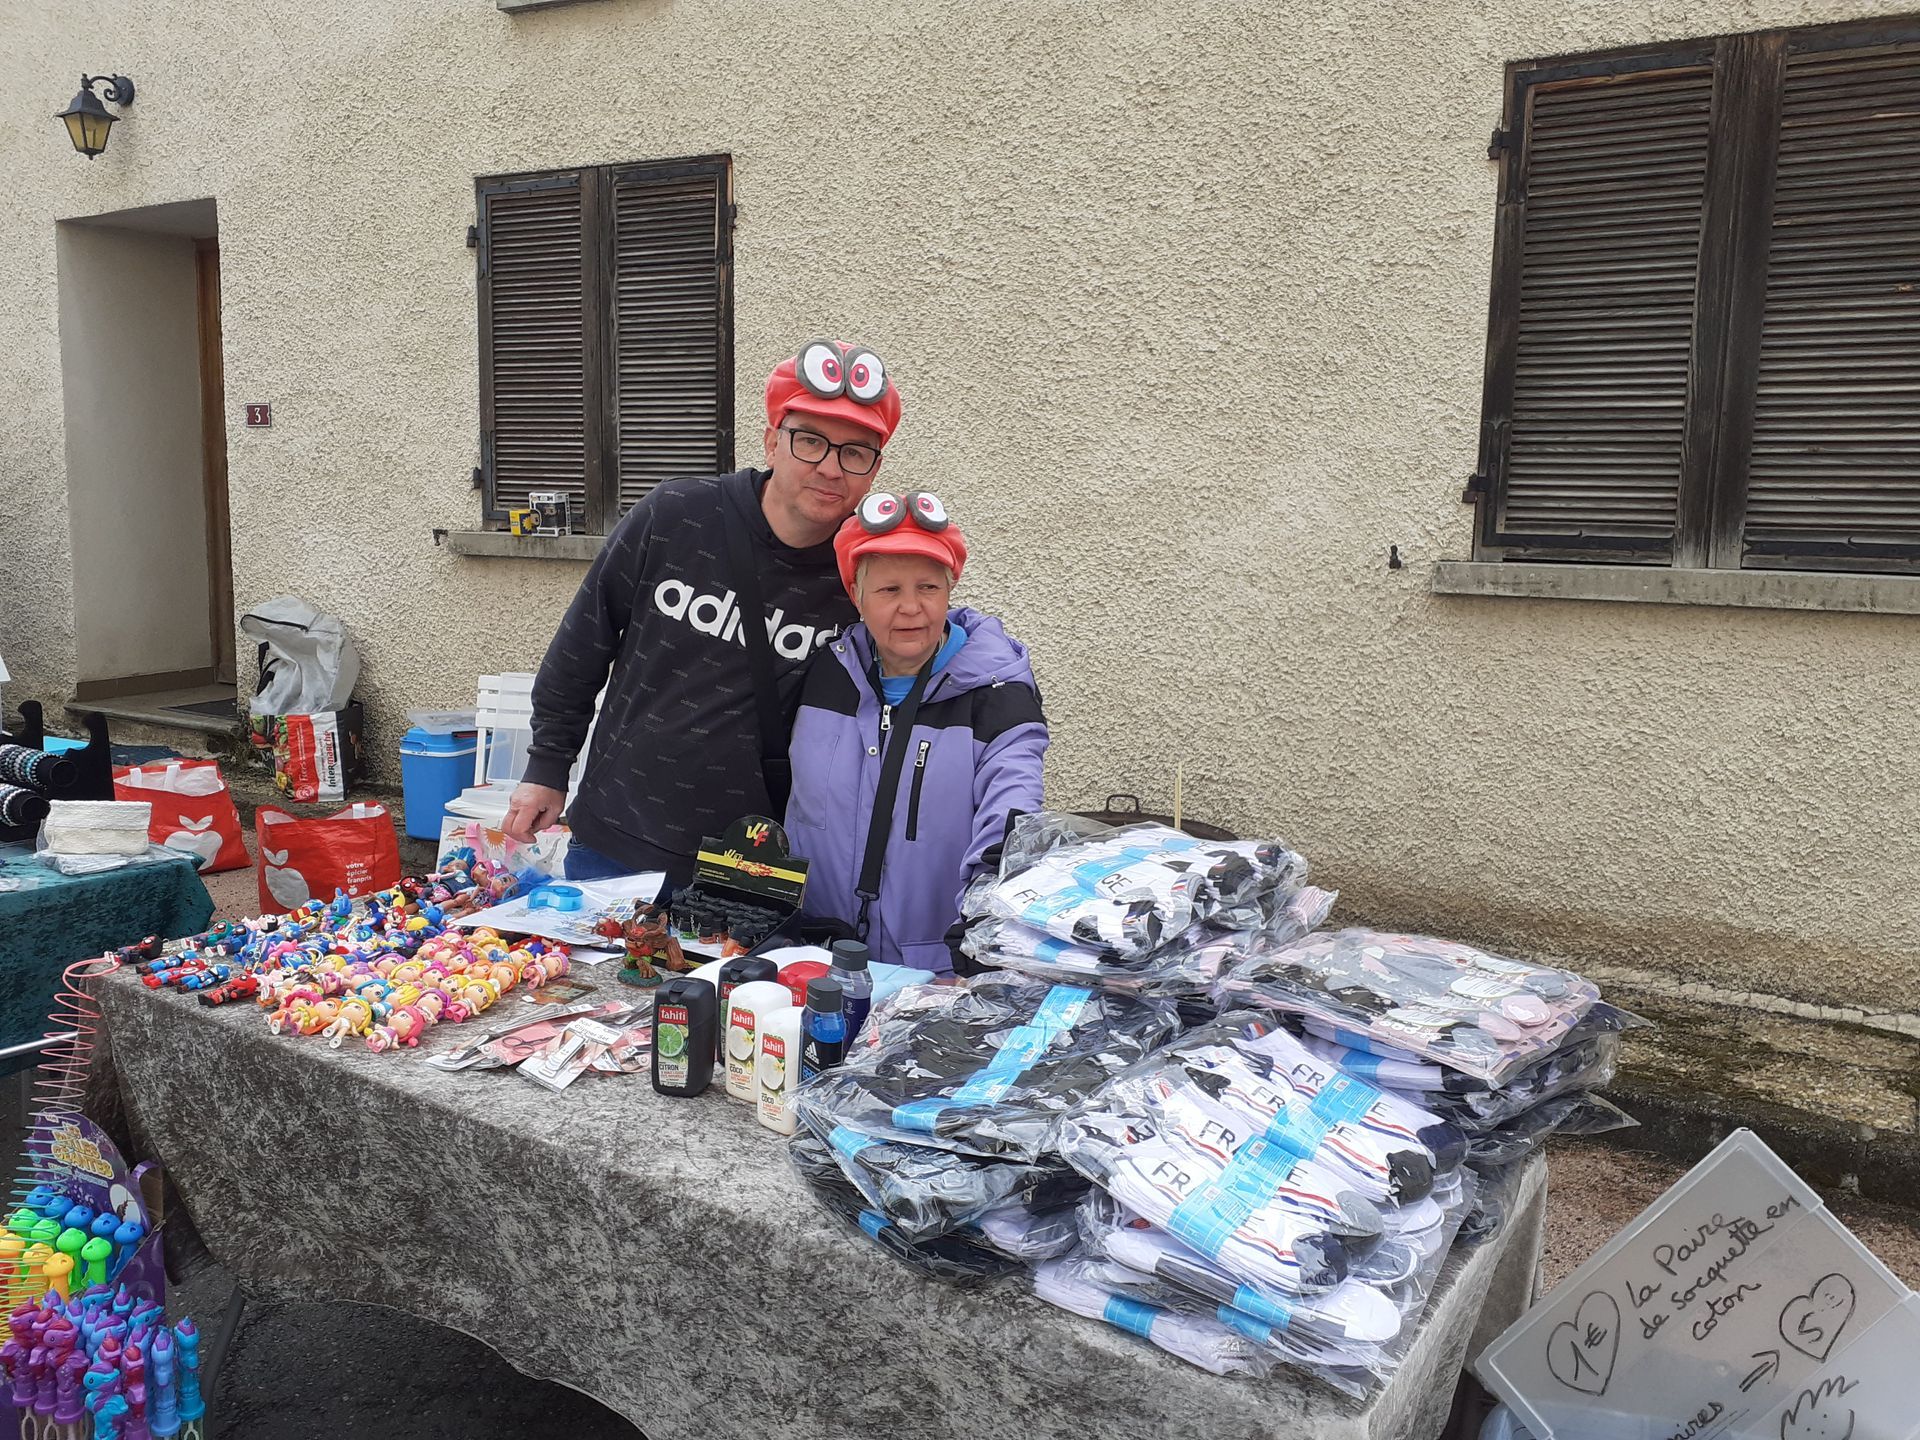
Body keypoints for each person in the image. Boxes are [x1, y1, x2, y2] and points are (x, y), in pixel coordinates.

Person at [503, 339, 904, 885]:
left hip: (756, 860)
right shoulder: (676, 514)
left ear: (874, 469)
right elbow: (582, 645)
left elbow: (923, 649)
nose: (831, 468)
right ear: (772, 442)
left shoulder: (864, 572)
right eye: (810, 440)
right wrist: (547, 767)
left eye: (855, 452)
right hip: (617, 834)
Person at [784, 491, 1048, 973]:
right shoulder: (825, 674)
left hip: (936, 973)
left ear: (950, 589)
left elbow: (1013, 809)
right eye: (889, 590)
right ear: (856, 595)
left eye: (927, 587)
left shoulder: (997, 692)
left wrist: (984, 919)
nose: (911, 607)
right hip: (816, 960)